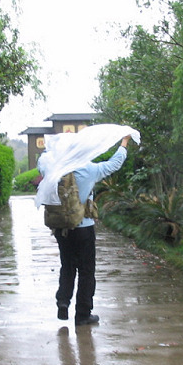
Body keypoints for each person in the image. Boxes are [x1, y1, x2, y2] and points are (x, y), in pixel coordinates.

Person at [38, 135, 131, 326]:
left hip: (61, 228)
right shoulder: (89, 169)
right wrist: (124, 143)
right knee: (86, 271)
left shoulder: (51, 167)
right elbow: (114, 164)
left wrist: (53, 150)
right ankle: (83, 314)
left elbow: (42, 159)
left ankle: (63, 301)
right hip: (84, 229)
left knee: (67, 266)